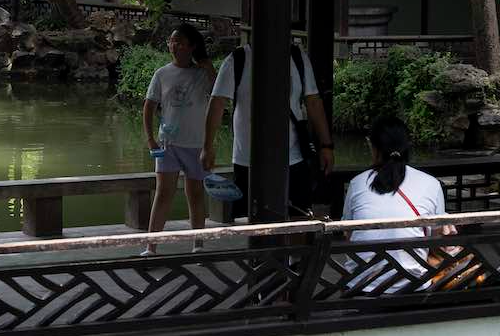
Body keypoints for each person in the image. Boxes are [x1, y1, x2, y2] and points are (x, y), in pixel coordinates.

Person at [204, 38, 334, 222]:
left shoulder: (297, 57)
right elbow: (217, 103)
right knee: (249, 217)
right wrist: (207, 146)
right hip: (248, 158)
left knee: (299, 216)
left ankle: (294, 242)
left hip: (293, 155)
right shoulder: (238, 59)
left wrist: (327, 145)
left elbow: (313, 101)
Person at [342, 116, 452, 284]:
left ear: (372, 146)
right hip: (413, 285)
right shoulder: (431, 183)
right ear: (408, 145)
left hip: (361, 286)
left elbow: (348, 234)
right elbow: (438, 238)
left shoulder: (357, 183)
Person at [141, 23, 214, 230]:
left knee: (196, 194)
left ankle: (198, 243)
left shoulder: (202, 74)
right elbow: (149, 106)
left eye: (179, 42)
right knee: (163, 194)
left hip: (196, 144)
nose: (173, 46)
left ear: (192, 46)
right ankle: (151, 244)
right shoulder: (162, 74)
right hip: (168, 144)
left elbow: (218, 97)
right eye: (171, 41)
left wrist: (208, 67)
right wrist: (150, 139)